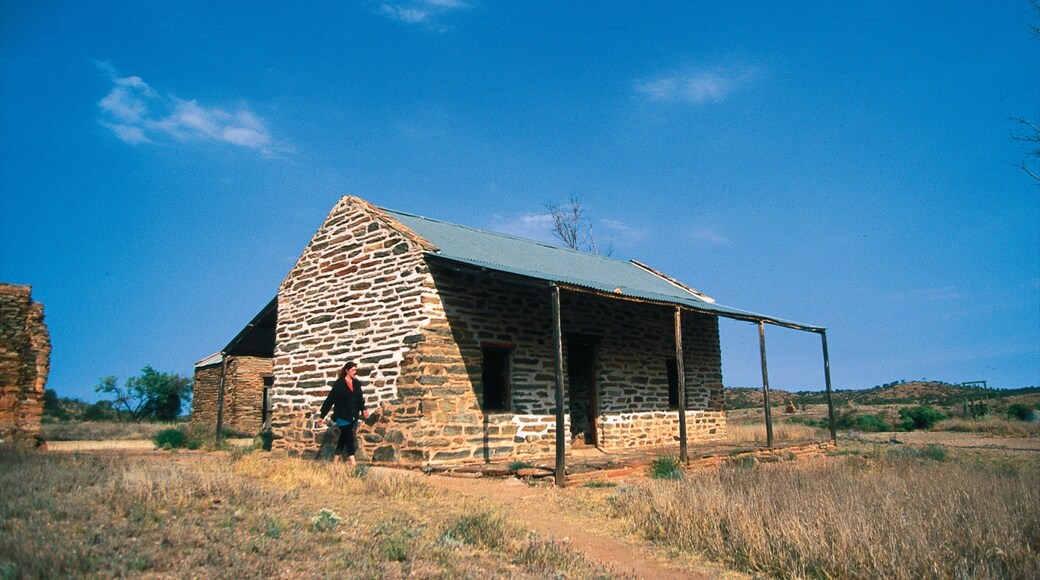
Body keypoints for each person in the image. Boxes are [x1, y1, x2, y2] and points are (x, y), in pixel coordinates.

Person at [316, 361, 369, 465]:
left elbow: (359, 398)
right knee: (349, 435)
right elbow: (330, 400)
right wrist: (322, 415)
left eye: (355, 370)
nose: (355, 372)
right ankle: (352, 460)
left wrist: (363, 409)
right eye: (353, 370)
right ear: (347, 371)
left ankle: (335, 460)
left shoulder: (357, 383)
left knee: (344, 437)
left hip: (353, 415)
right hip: (342, 415)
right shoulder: (339, 384)